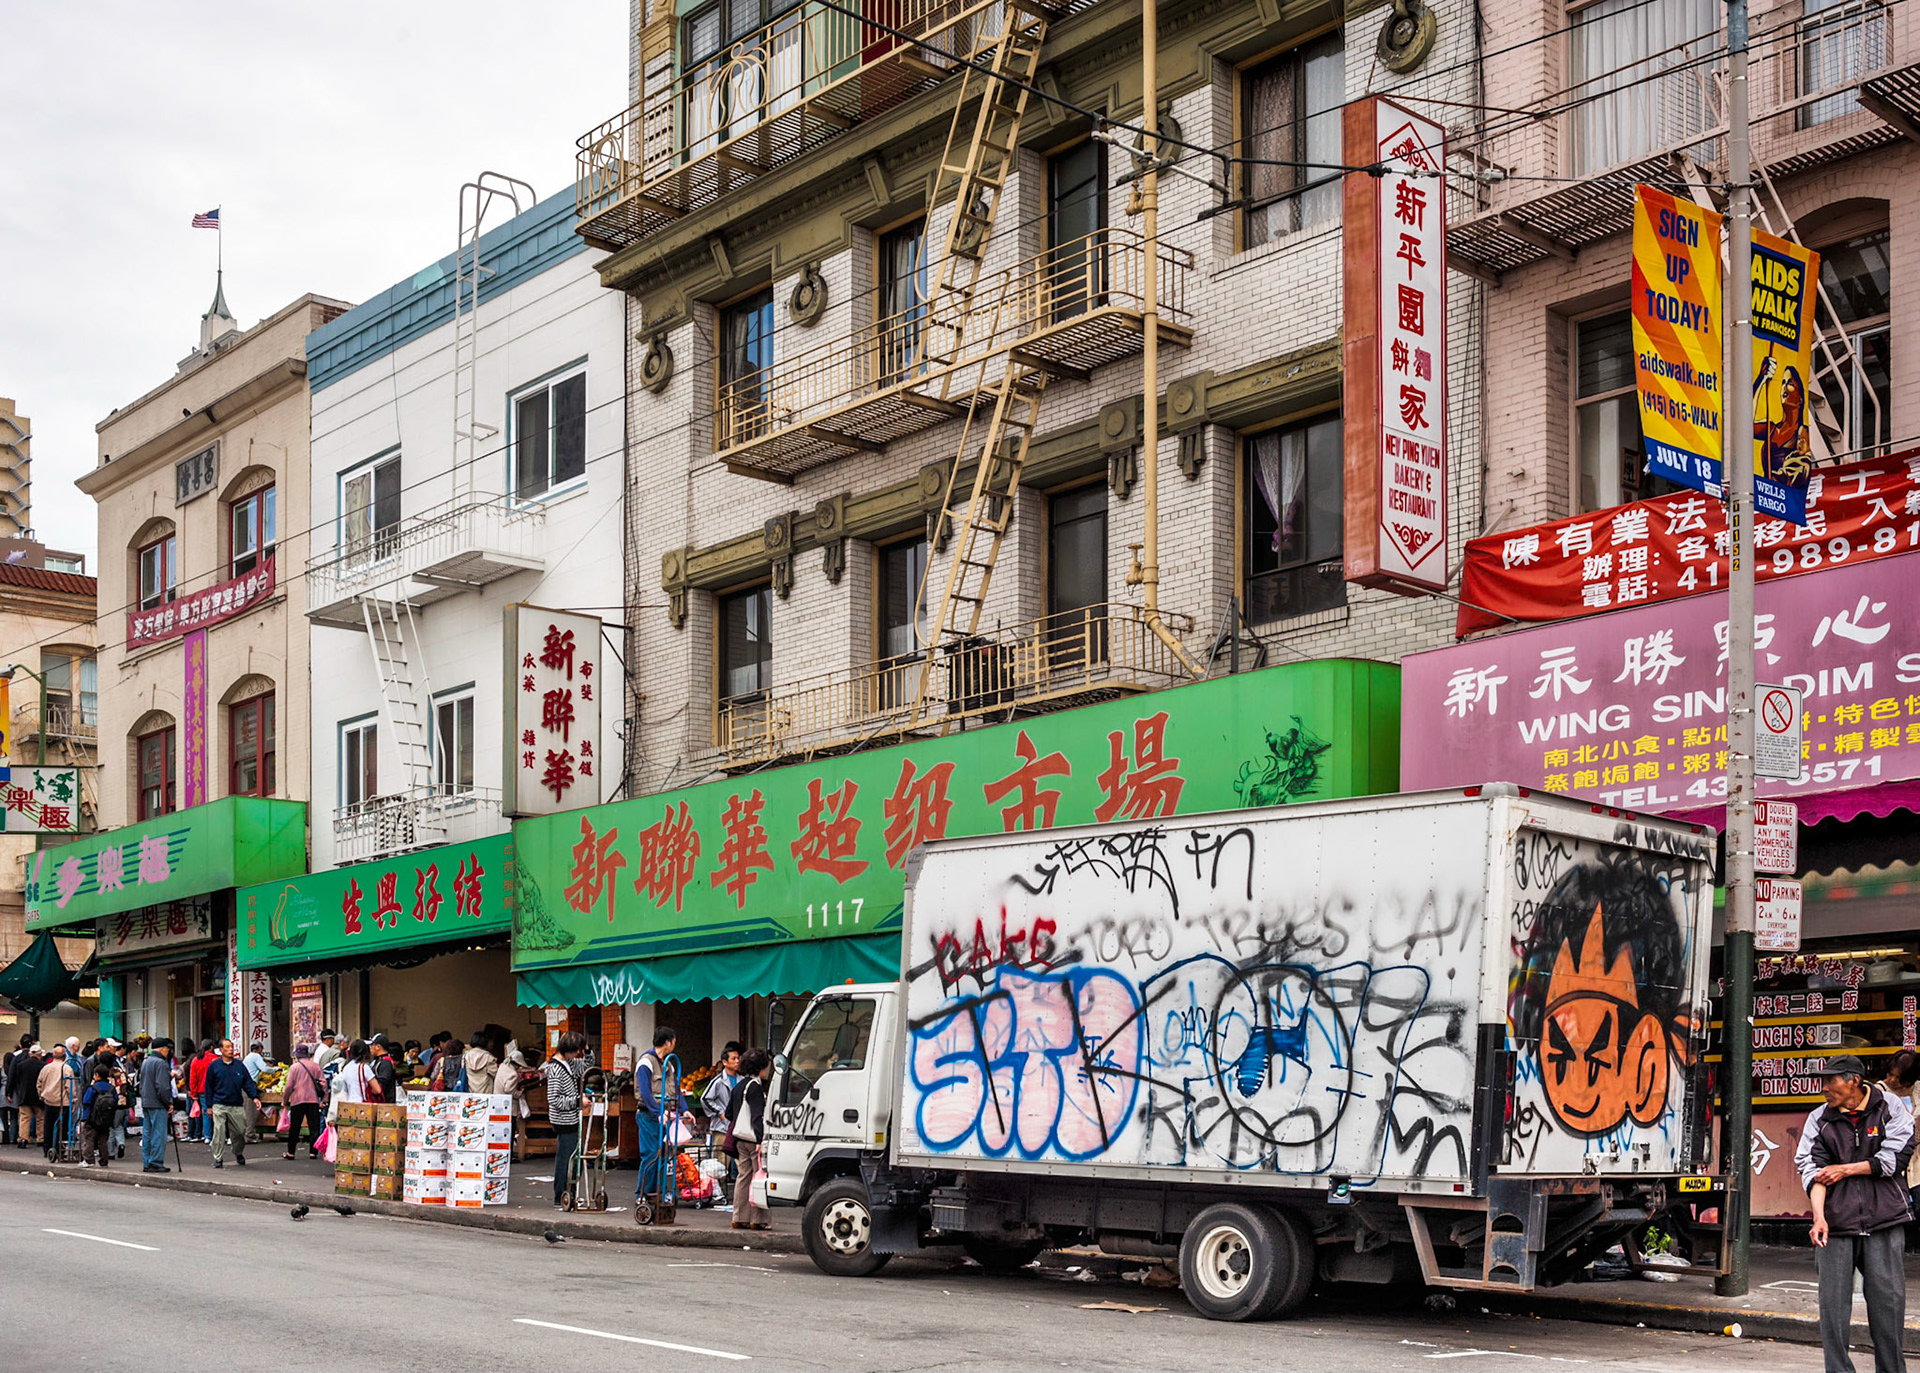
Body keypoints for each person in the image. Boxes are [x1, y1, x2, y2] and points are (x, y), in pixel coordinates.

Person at [1798, 1053, 1914, 1373]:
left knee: (1888, 1308)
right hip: (1836, 1223)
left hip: (1884, 1220)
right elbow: (1811, 1171)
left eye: (1831, 1081)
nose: (1824, 1088)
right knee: (1832, 1309)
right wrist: (1818, 1217)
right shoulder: (1819, 1119)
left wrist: (1844, 1170)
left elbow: (1893, 1160)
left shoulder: (1891, 1108)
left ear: (1853, 1082)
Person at [635, 1026, 691, 1206]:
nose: (674, 1044)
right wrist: (657, 1113)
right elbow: (645, 1092)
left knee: (664, 1155)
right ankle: (642, 1193)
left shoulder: (670, 1064)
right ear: (667, 1042)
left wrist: (685, 1109)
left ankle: (657, 1192)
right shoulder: (646, 1062)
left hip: (666, 1115)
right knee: (651, 1154)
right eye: (673, 1041)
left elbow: (676, 1090)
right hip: (649, 1115)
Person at [727, 1048, 772, 1230]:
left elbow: (729, 1112)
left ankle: (739, 1217)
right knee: (759, 1177)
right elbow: (757, 1117)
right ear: (761, 1067)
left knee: (743, 1177)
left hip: (739, 1138)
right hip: (754, 1140)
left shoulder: (739, 1086)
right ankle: (758, 1219)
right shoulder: (755, 1087)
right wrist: (761, 1140)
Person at [545, 1031, 586, 1209]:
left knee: (572, 1158)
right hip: (564, 1120)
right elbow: (554, 1099)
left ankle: (570, 1194)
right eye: (576, 1050)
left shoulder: (568, 1063)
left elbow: (586, 1065)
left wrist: (587, 1049)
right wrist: (577, 1102)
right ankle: (561, 1195)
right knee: (566, 1159)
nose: (578, 1054)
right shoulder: (555, 1068)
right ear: (568, 1049)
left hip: (571, 1118)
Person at [1884, 1050, 1920, 1237]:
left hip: (1917, 1164)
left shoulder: (1919, 1090)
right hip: (1892, 1160)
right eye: (1890, 1075)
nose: (1891, 1080)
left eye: (1897, 1077)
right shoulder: (1879, 1092)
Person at [205, 1039, 257, 1169]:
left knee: (240, 1131)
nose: (230, 1049)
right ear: (221, 1050)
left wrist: (254, 1097)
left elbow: (248, 1082)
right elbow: (209, 1087)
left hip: (236, 1104)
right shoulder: (214, 1066)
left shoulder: (239, 1065)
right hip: (219, 1104)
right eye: (227, 1047)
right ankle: (218, 1158)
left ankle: (238, 1152)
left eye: (232, 1047)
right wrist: (209, 1106)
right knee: (219, 1131)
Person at [280, 1044, 327, 1160]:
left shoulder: (294, 1067)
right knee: (314, 1127)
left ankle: (291, 1152)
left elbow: (289, 1086)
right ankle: (313, 1152)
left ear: (297, 1056)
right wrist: (325, 1100)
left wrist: (284, 1100)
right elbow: (324, 1084)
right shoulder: (316, 1066)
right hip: (313, 1100)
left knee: (295, 1127)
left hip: (298, 1100)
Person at [139, 1039, 175, 1173]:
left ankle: (147, 1161)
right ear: (162, 1049)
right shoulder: (161, 1063)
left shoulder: (146, 1062)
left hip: (147, 1101)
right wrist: (169, 1102)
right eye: (167, 1049)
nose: (168, 1052)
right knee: (159, 1133)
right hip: (158, 1103)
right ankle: (156, 1161)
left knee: (147, 1133)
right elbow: (162, 1087)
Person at [37, 1043, 76, 1159]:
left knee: (48, 1126)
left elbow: (39, 1084)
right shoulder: (67, 1068)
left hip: (48, 1101)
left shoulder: (46, 1068)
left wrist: (42, 1095)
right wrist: (73, 1100)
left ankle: (47, 1148)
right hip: (63, 1102)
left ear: (53, 1055)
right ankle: (59, 1149)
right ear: (64, 1056)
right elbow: (70, 1086)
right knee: (62, 1128)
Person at [80, 1064, 118, 1167]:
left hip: (92, 1118)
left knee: (89, 1139)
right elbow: (116, 1101)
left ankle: (89, 1160)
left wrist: (85, 1117)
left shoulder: (93, 1088)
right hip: (106, 1119)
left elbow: (86, 1102)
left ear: (97, 1075)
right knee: (103, 1140)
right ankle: (104, 1160)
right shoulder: (111, 1088)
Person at [188, 1040, 217, 1142]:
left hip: (202, 1091)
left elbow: (193, 1078)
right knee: (218, 1112)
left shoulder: (196, 1060)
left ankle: (207, 1136)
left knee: (206, 1112)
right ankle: (218, 1135)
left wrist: (193, 1093)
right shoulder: (215, 1059)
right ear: (211, 1047)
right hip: (215, 1090)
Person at [464, 1030, 500, 1095]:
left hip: (470, 1093)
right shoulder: (488, 1057)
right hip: (486, 1093)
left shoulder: (465, 1056)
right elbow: (497, 1075)